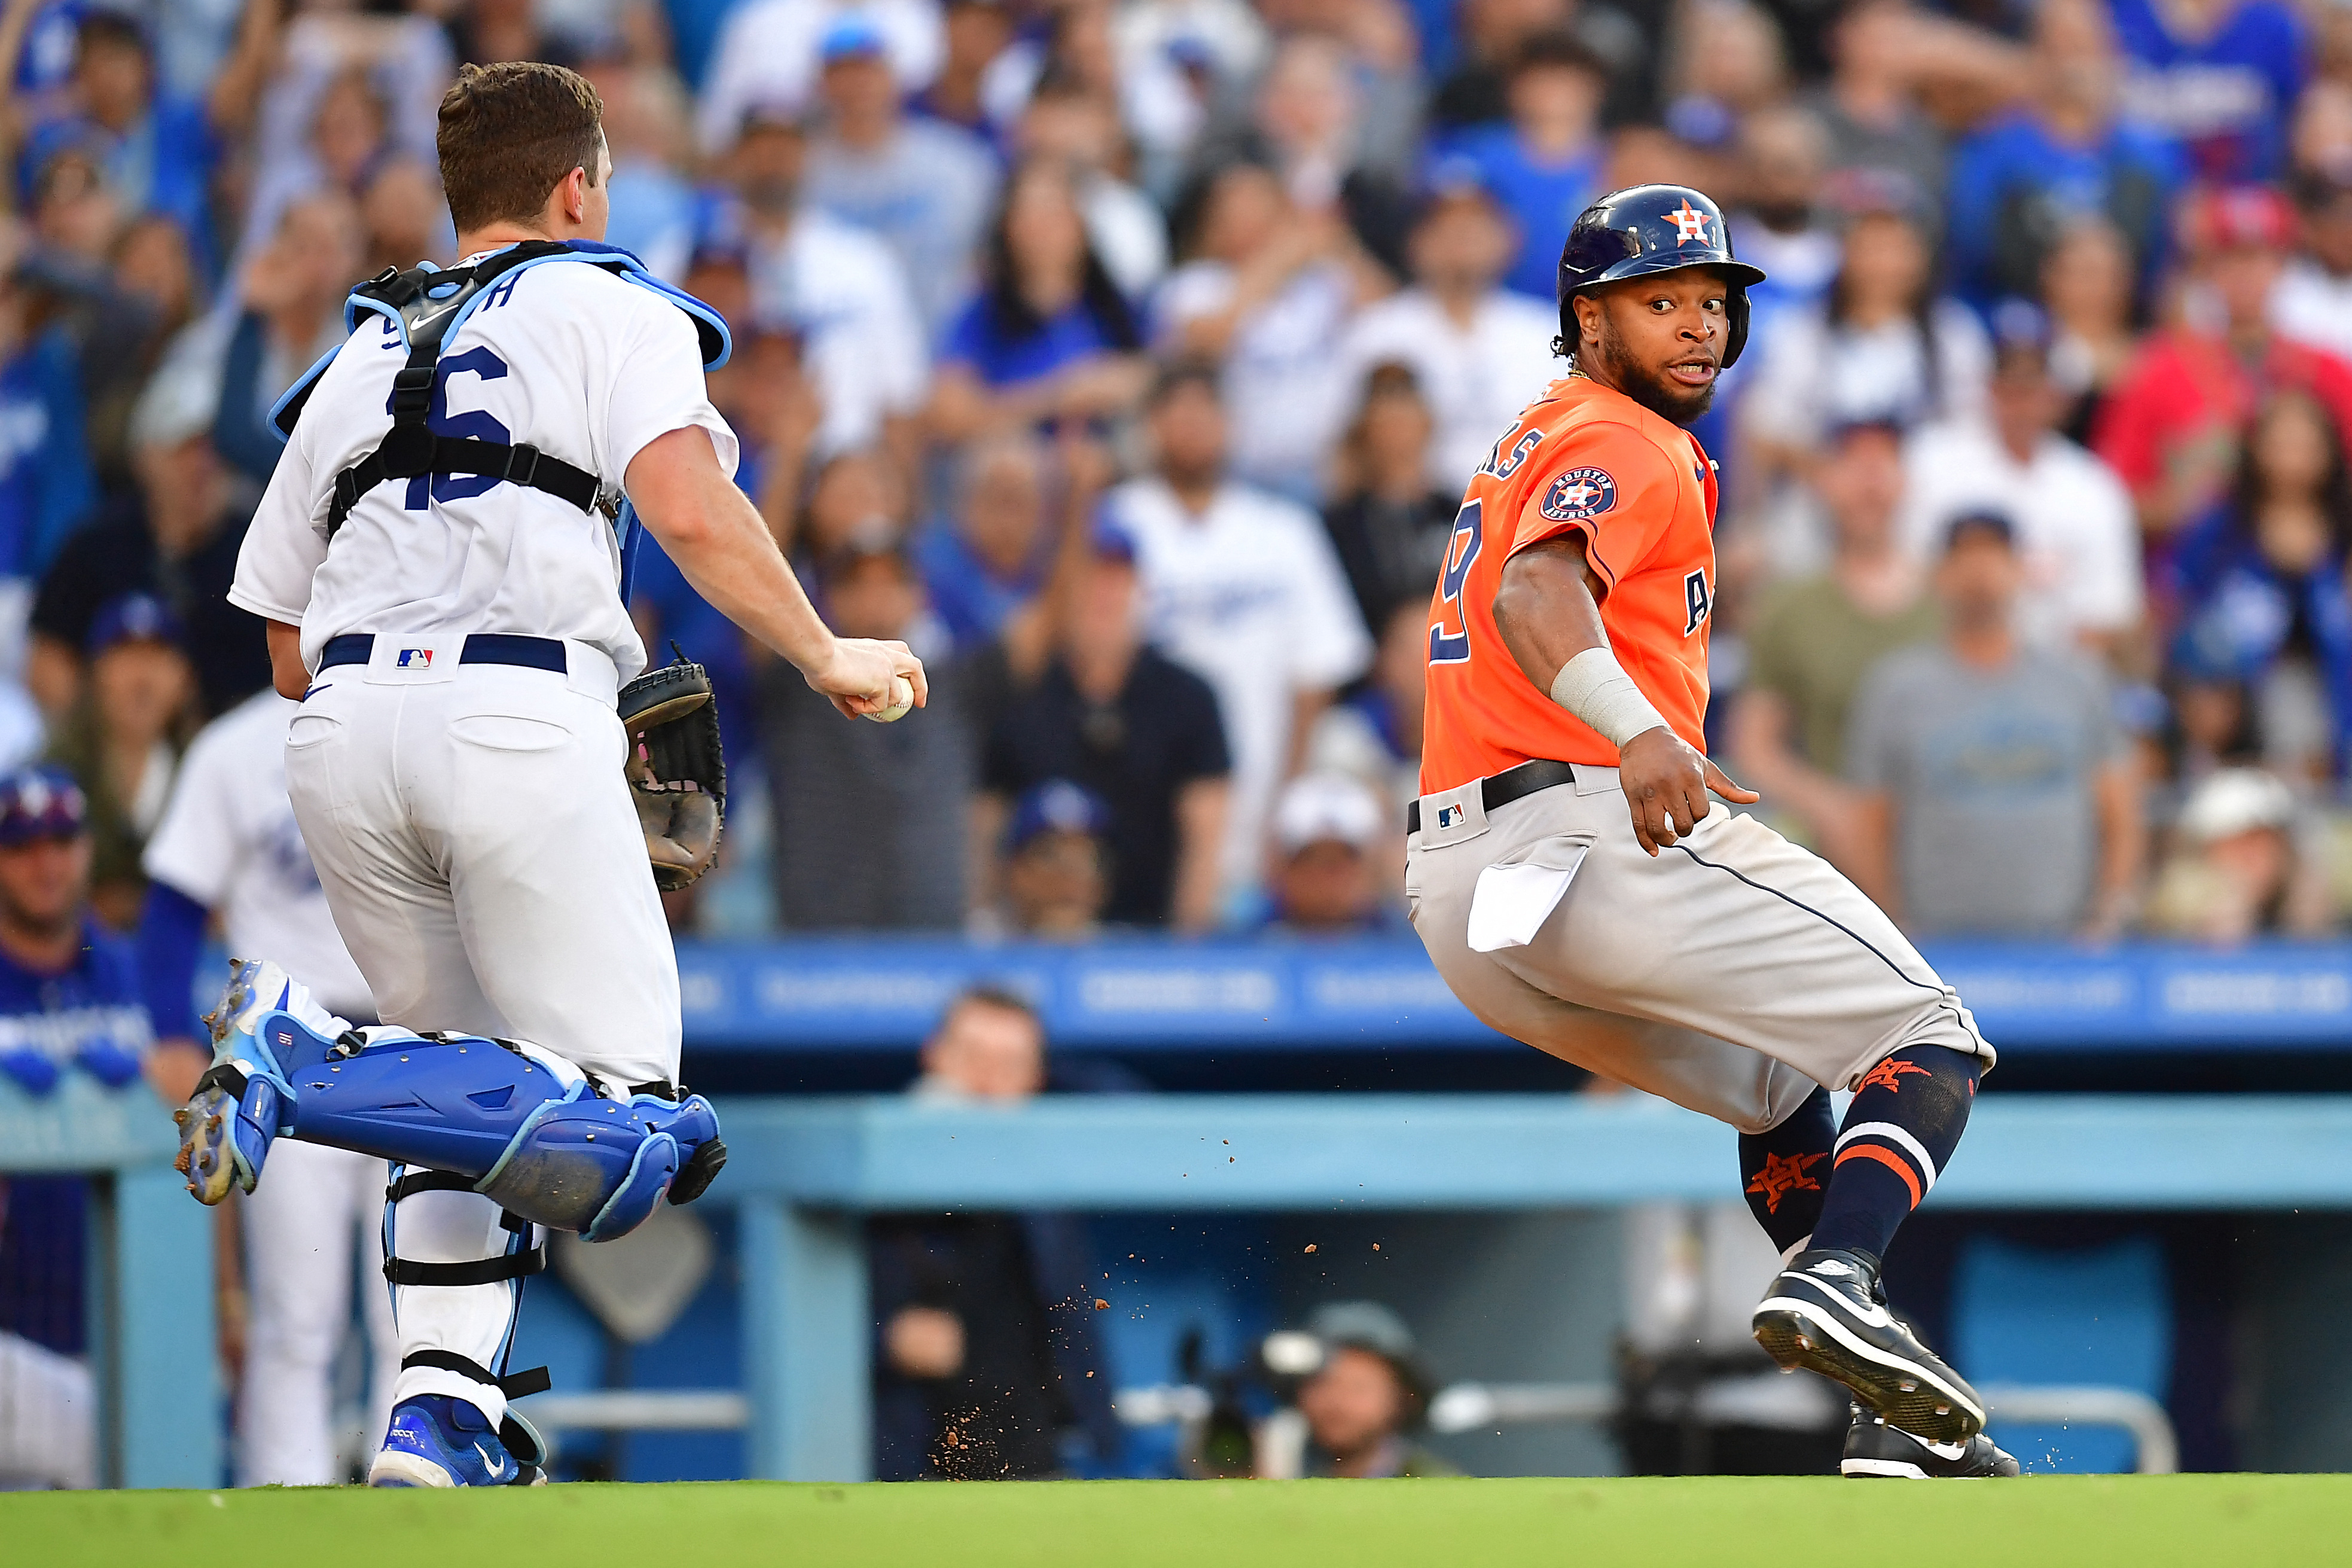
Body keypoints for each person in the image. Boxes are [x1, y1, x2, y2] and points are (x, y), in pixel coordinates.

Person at [185, 61, 926, 1489]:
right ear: (580, 187)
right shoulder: (612, 301)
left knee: (464, 1087)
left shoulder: (359, 349)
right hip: (515, 710)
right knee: (634, 1124)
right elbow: (692, 511)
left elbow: (280, 641)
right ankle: (299, 1055)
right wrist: (826, 652)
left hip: (339, 733)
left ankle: (438, 1405)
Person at [1405, 184, 2015, 1481]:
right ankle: (1840, 1274)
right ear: (1587, 316)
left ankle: (1880, 1413)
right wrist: (1632, 729)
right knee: (1931, 1036)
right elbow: (1534, 591)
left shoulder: (1533, 433)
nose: (1693, 326)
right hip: (1585, 825)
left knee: (1784, 1084)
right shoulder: (1625, 438)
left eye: (1709, 303)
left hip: (1463, 899)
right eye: (1658, 301)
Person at [136, 688, 395, 1488]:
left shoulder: (421, 721)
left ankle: (418, 1510)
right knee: (297, 1317)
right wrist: (172, 1036)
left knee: (415, 1316)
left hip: (415, 1043)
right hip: (289, 1049)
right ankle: (291, 1514)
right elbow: (174, 908)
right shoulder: (237, 745)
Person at [1103, 362, 1371, 904]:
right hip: (1148, 790)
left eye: (1206, 411)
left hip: (1264, 779)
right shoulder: (1118, 521)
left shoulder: (1284, 530)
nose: (1192, 427)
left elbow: (1315, 674)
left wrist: (1288, 801)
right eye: (1176, 413)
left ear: (1230, 423)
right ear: (1150, 426)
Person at [1846, 511, 2144, 939]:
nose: (1980, 574)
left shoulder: (2078, 681)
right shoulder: (1897, 688)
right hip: (1938, 950)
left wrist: (2108, 915)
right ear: (1939, 575)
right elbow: (1870, 820)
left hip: (2064, 950)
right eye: (1964, 558)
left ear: (2020, 570)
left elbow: (2119, 809)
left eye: (1994, 557)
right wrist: (1893, 928)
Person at [870, 987, 1118, 1479]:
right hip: (908, 1449)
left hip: (1033, 1447)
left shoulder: (1044, 1168)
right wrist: (882, 1338)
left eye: (1008, 1065)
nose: (984, 1083)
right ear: (932, 1058)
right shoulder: (873, 1162)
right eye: (970, 1057)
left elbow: (1137, 1113)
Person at [980, 525, 1231, 931]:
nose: (1102, 593)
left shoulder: (1186, 697)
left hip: (1150, 938)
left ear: (1139, 588)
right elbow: (987, 825)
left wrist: (1189, 948)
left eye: (1116, 578)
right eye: (1089, 576)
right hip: (1034, 935)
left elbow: (1204, 836)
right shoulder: (1020, 693)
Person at [1731, 421, 1937, 873]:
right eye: (1852, 466)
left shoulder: (1948, 597)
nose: (1868, 483)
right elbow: (1755, 745)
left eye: (1882, 465)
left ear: (1905, 482)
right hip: (1835, 840)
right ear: (1823, 481)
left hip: (1942, 829)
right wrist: (1827, 806)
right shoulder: (1789, 605)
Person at [2096, 185, 2352, 544]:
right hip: (2195, 574)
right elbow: (2110, 502)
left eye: (2259, 257)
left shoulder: (2328, 369)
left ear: (2283, 267)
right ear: (2208, 269)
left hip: (2306, 572)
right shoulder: (2157, 370)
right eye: (2230, 258)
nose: (2245, 274)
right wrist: (2178, 499)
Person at [1899, 312, 2143, 660]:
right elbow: (1907, 579)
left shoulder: (2092, 486)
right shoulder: (1931, 460)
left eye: (2034, 390)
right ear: (1989, 390)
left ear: (2057, 398)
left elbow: (2106, 615)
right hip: (1947, 662)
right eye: (2010, 389)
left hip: (2052, 675)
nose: (2022, 405)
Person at [762, 525, 969, 930]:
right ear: (830, 598)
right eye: (857, 584)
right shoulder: (793, 678)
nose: (875, 599)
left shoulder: (961, 684)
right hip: (820, 935)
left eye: (891, 583)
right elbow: (754, 595)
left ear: (918, 597)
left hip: (935, 935)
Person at [1337, 182, 1561, 495]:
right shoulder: (1378, 333)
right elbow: (1345, 453)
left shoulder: (1548, 332)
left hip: (1525, 511)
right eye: (1446, 228)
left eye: (1474, 227)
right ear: (1417, 242)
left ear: (1508, 238)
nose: (1461, 240)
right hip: (1414, 520)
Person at [926, 157, 1149, 446]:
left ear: (1082, 225)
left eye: (1054, 214)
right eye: (1029, 216)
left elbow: (1155, 375)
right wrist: (1061, 396)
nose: (1042, 231)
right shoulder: (981, 314)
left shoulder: (1117, 310)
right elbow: (950, 416)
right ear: (1007, 227)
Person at [803, 14, 1000, 334]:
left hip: (945, 349)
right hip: (845, 353)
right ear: (821, 84)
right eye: (842, 72)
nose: (857, 85)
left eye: (868, 69)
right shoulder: (800, 174)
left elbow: (990, 267)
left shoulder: (960, 165)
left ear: (892, 75)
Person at [44, 593, 193, 931]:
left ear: (185, 678)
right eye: (125, 657)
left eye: (157, 658)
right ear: (94, 673)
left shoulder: (207, 766)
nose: (142, 679)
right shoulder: (53, 770)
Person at [1432, 32, 1609, 303]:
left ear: (1594, 90)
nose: (1554, 93)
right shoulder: (1475, 155)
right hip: (1491, 314)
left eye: (1566, 80)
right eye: (1541, 80)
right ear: (1514, 88)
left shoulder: (1618, 164)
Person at [1319, 364, 1461, 638]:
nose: (1398, 427)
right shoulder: (1340, 526)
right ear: (1364, 429)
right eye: (1386, 413)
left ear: (1427, 423)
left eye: (1405, 409)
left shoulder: (1458, 512)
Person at [1280, 1302, 1459, 1478]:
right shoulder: (1299, 1484)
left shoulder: (1438, 1489)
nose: (1337, 1401)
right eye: (1319, 1384)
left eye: (1359, 1387)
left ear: (1403, 1400)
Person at [1265, 771, 1391, 932]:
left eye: (1338, 866)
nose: (1325, 882)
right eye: (1310, 863)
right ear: (1283, 869)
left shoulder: (1411, 944)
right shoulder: (1244, 940)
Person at [994, 779, 1113, 936]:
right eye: (1052, 857)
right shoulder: (973, 943)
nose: (1072, 877)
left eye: (1087, 860)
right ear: (1015, 870)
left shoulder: (1129, 951)